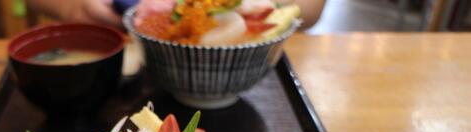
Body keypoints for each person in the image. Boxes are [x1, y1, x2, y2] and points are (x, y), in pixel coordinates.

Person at [26, 0, 325, 29]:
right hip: (115, 49)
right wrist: (74, 6)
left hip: (252, 66)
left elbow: (308, 8)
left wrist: (250, 7)